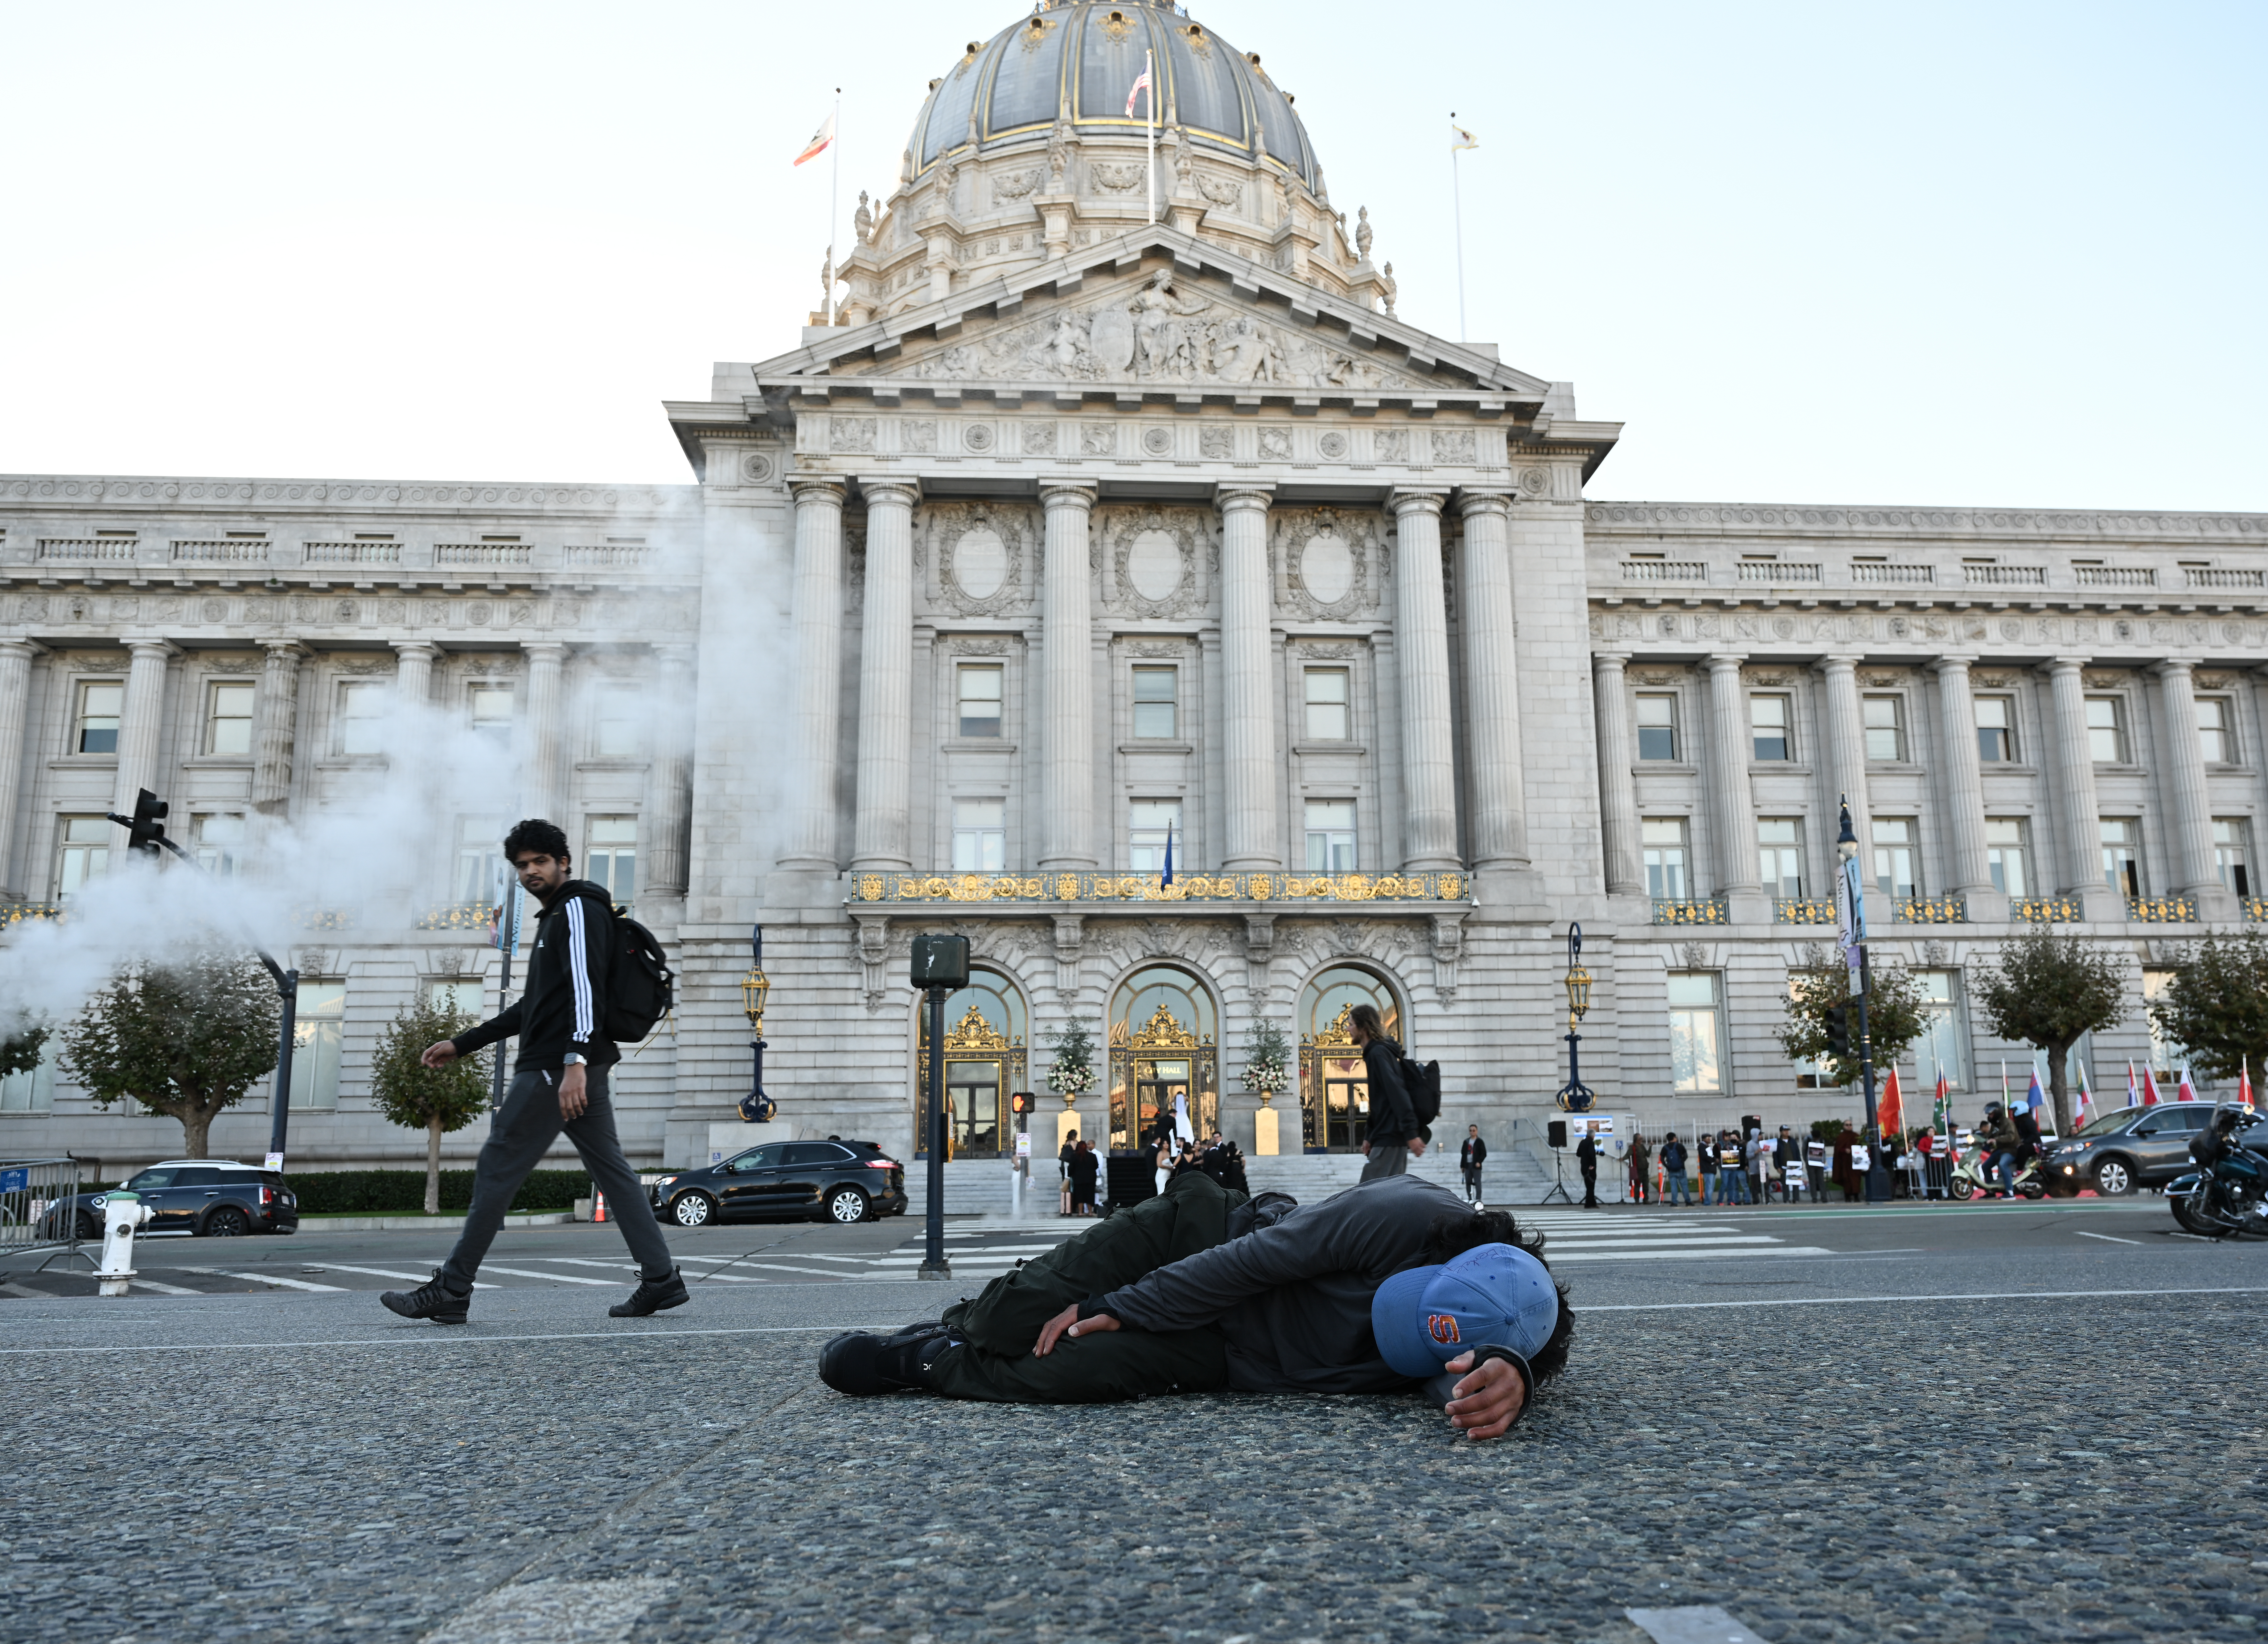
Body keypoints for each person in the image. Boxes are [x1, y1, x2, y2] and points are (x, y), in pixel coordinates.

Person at [816, 1172, 1574, 1443]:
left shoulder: (1491, 1331)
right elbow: (1253, 1259)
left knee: (1072, 1369)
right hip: (1196, 1240)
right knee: (1021, 1318)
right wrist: (1121, 1300)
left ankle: (928, 1362)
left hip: (1232, 1353)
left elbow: (1458, 1383)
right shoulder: (1405, 1211)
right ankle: (954, 1329)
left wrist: (1509, 1377)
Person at [381, 818, 684, 1325]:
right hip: (567, 1064)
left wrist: (574, 1062)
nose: (530, 872)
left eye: (539, 862)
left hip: (555, 1068)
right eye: (522, 865)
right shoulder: (558, 919)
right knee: (612, 1170)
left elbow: (588, 991)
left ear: (563, 862)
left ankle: (452, 1288)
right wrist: (464, 1042)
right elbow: (536, 1005)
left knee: (498, 1165)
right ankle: (660, 1278)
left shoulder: (580, 910)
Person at [1349, 1004, 1425, 1182]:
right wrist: (1370, 1136)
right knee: (1389, 1196)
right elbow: (1379, 1102)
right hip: (1387, 1136)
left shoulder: (1378, 1053)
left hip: (1390, 1136)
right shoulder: (1376, 1053)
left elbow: (1397, 1093)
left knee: (1368, 1195)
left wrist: (1411, 1134)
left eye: (1351, 1024)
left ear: (1364, 1027)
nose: (1348, 1028)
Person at [1716, 1132, 1750, 1205]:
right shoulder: (1727, 1146)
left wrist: (1747, 1165)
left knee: (1744, 1186)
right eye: (1731, 1137)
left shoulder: (1742, 1146)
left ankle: (1747, 1200)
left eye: (1734, 1137)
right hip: (1731, 1169)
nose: (1733, 1139)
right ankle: (1736, 1201)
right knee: (1734, 1186)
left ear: (1738, 1138)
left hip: (1741, 1169)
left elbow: (1746, 1157)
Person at [1459, 1124, 1488, 1208]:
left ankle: (1478, 1199)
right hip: (1468, 1165)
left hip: (1476, 1166)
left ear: (1477, 1131)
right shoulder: (1466, 1142)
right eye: (1471, 1130)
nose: (1472, 1132)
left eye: (1474, 1130)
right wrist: (1462, 1166)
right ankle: (1470, 1198)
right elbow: (1463, 1154)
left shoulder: (1480, 1142)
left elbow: (1484, 1153)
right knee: (1468, 1182)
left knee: (1478, 1182)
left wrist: (1479, 1162)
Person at [1068, 1139, 1100, 1216]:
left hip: (1078, 1180)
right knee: (1090, 1195)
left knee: (1080, 1196)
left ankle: (1080, 1212)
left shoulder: (1074, 1156)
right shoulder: (1092, 1156)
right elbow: (1096, 1166)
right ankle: (1090, 1212)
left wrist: (1071, 1175)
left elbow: (1071, 1168)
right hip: (1091, 1179)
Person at [1659, 1132, 1690, 1206]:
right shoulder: (1680, 1146)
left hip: (1672, 1170)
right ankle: (1688, 1201)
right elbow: (1686, 1156)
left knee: (1674, 1187)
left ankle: (1674, 1202)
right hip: (1681, 1169)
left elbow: (1662, 1159)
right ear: (1674, 1138)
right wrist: (1681, 1162)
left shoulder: (1665, 1148)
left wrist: (1667, 1166)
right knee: (1684, 1186)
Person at [1575, 1125, 1600, 1208]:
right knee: (1591, 1186)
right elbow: (1591, 1154)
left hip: (1584, 1168)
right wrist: (1593, 1165)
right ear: (1593, 1136)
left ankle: (1592, 1203)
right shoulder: (1591, 1143)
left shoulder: (1582, 1142)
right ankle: (1589, 1204)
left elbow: (1578, 1154)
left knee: (1588, 1186)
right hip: (1590, 1168)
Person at [1627, 1131, 1652, 1205]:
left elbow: (1648, 1155)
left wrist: (1650, 1147)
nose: (1642, 1140)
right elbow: (1628, 1155)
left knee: (1646, 1185)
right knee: (1638, 1185)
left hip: (1645, 1168)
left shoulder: (1642, 1147)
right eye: (1640, 1139)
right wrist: (1622, 1159)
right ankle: (1637, 1200)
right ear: (1637, 1140)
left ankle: (1646, 1199)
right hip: (1638, 1169)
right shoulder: (1633, 1148)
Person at [1059, 1130, 1079, 1217]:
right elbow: (1075, 1151)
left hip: (1064, 1165)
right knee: (1070, 1186)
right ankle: (1071, 1208)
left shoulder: (1066, 1143)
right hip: (1070, 1165)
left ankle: (1065, 1208)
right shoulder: (1073, 1143)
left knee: (1066, 1187)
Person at [1696, 1131, 1719, 1204]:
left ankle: (1708, 1200)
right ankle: (1707, 1202)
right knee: (1709, 1187)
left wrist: (1715, 1159)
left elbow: (1711, 1155)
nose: (1710, 1140)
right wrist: (1714, 1160)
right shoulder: (1702, 1146)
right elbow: (1705, 1157)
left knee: (1711, 1187)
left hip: (1711, 1169)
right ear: (1704, 1139)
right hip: (1708, 1169)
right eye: (1708, 1138)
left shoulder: (1707, 1147)